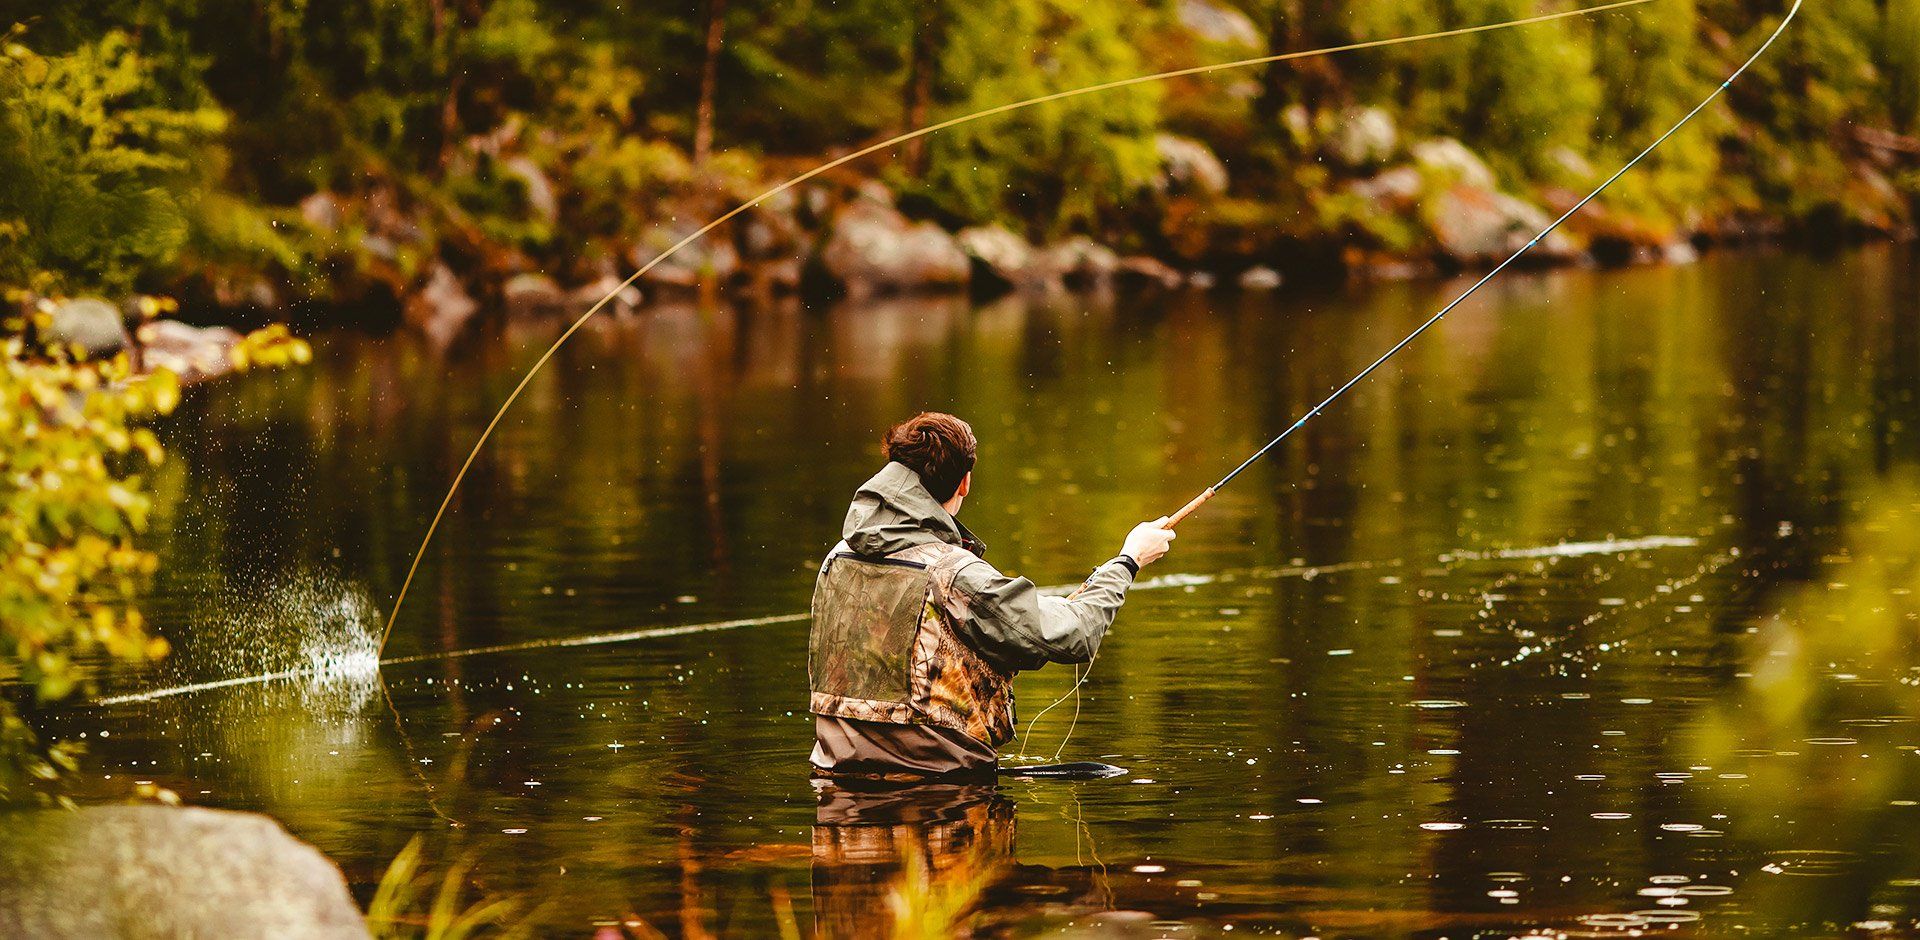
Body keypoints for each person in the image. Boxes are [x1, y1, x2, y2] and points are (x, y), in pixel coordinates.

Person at [808, 411, 1176, 778]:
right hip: (945, 796)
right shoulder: (953, 573)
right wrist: (1128, 560)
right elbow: (1074, 636)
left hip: (835, 782)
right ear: (964, 482)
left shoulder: (836, 558)